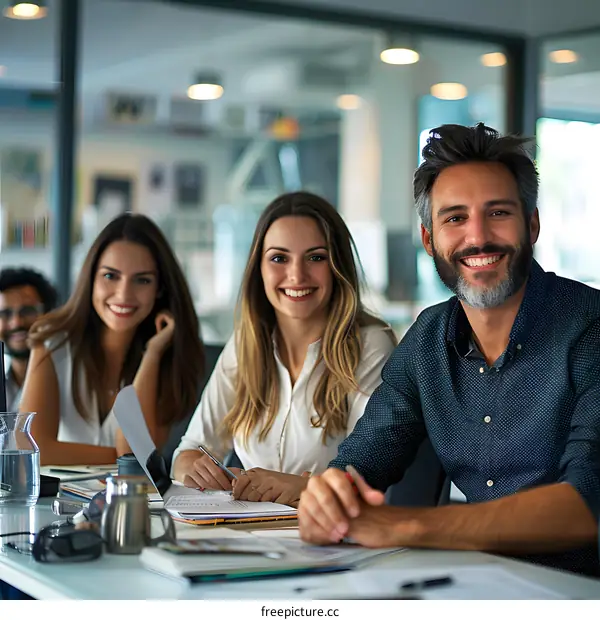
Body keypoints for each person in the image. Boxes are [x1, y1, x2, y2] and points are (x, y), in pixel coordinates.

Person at [298, 123, 600, 576]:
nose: (477, 237)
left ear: (532, 224)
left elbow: (587, 505)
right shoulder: (428, 339)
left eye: (497, 213)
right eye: (454, 218)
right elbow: (365, 457)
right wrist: (329, 497)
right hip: (474, 586)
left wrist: (407, 526)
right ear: (428, 239)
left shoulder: (590, 327)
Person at [172, 191, 396, 507]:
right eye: (279, 258)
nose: (296, 275)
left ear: (337, 266)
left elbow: (365, 477)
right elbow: (189, 451)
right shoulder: (246, 345)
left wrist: (294, 486)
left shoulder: (369, 345)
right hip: (246, 536)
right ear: (258, 269)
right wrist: (195, 470)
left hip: (332, 541)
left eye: (316, 257)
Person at [20, 214, 205, 466]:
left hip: (132, 502)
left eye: (142, 280)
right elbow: (32, 448)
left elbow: (137, 449)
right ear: (91, 278)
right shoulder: (52, 341)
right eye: (110, 276)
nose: (123, 294)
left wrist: (152, 354)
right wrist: (122, 459)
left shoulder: (168, 354)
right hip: (56, 502)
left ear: (160, 288)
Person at [0, 268, 58, 410]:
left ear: (49, 315)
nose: (16, 322)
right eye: (5, 314)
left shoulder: (72, 380)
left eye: (28, 311)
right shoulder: (5, 383)